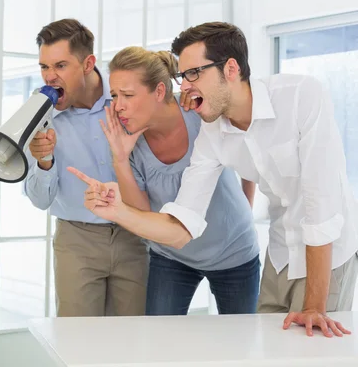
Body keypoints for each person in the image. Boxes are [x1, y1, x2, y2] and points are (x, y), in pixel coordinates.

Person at [69, 21, 358, 337]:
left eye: (194, 73)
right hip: (280, 250)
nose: (185, 85)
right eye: (182, 76)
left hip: (329, 252)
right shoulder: (212, 133)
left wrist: (315, 305)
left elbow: (321, 207)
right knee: (265, 349)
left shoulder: (302, 96)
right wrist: (116, 211)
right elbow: (181, 227)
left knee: (311, 347)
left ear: (231, 69)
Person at [102, 45, 260, 315]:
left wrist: (246, 205)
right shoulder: (128, 143)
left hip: (234, 252)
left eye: (127, 95)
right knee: (160, 346)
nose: (118, 106)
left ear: (160, 91)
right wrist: (120, 158)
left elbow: (245, 149)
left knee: (239, 347)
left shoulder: (200, 113)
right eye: (115, 95)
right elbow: (141, 215)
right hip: (171, 257)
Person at [24, 18, 148, 317]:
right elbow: (40, 200)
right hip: (76, 241)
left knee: (132, 342)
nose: (50, 77)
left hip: (135, 233)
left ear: (88, 63)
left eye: (60, 66)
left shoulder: (125, 96)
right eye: (44, 67)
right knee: (76, 343)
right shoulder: (39, 111)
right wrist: (44, 161)